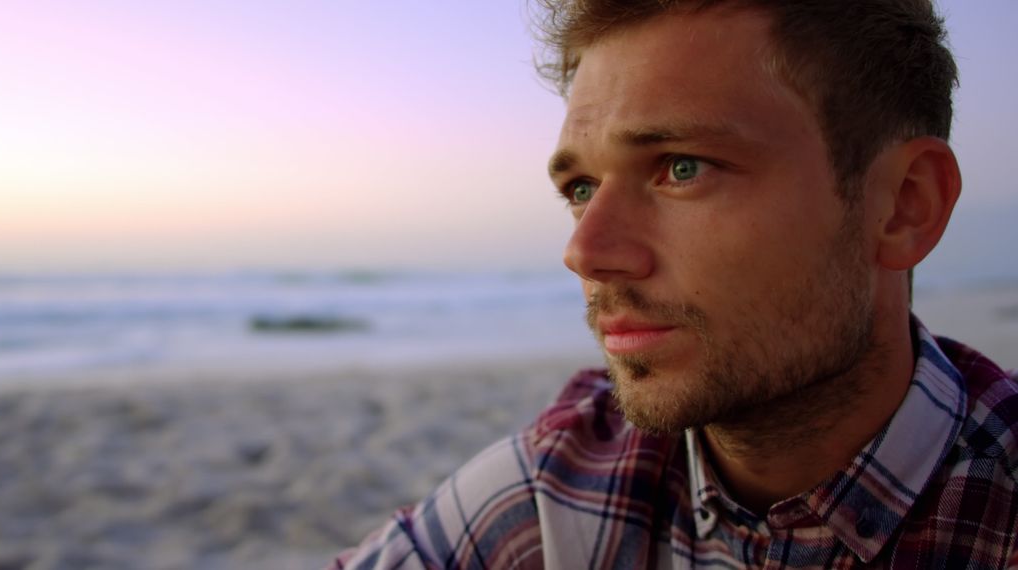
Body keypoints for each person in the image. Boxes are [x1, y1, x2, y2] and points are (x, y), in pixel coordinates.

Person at [331, 1, 1018, 568]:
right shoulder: (560, 491)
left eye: (682, 168)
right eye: (582, 187)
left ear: (904, 204)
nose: (586, 252)